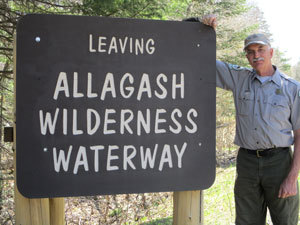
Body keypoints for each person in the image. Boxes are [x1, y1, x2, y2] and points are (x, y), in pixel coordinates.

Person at [199, 15, 300, 225]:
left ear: (271, 52)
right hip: (247, 162)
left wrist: (292, 178)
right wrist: (200, 27)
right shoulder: (239, 78)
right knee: (246, 221)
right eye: (251, 52)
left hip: (279, 163)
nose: (256, 56)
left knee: (286, 220)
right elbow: (202, 59)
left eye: (261, 50)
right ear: (246, 56)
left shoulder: (292, 88)